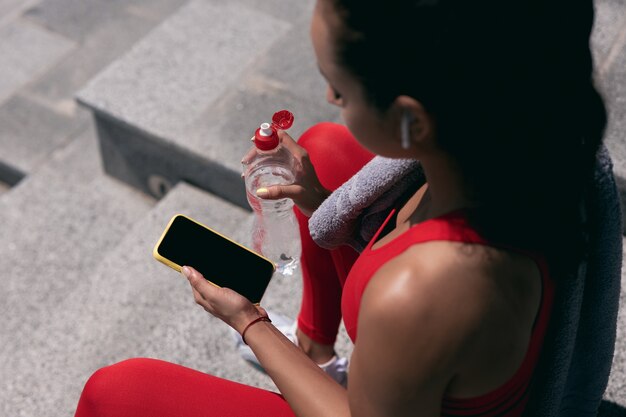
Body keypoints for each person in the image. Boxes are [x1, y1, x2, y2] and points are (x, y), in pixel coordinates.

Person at [74, 0, 608, 416]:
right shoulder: (526, 137)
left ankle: (314, 359)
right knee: (327, 148)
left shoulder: (422, 294)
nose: (329, 95)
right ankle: (315, 349)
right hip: (420, 348)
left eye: (341, 87)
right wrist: (318, 200)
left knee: (114, 393)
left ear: (411, 120)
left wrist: (249, 321)